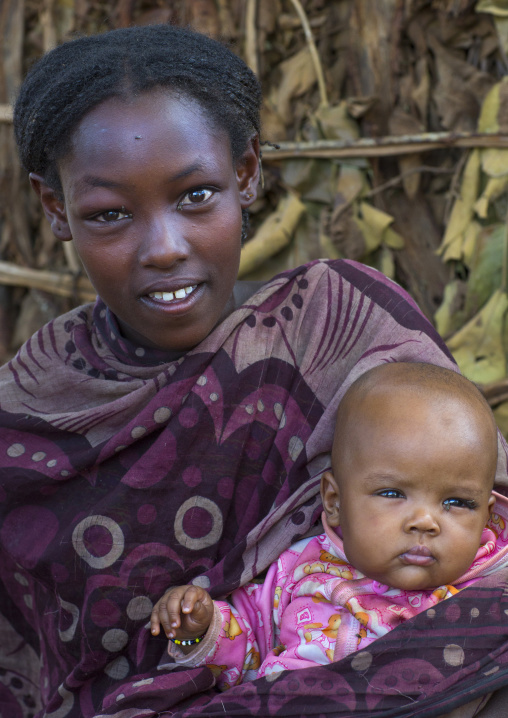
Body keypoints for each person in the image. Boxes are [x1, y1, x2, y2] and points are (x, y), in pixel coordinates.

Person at [1, 22, 508, 718]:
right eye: (111, 213)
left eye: (196, 196)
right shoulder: (31, 415)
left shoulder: (339, 324)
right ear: (57, 209)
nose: (164, 247)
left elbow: (484, 514)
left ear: (246, 174)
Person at [150, 363, 508, 688]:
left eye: (458, 503)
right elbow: (247, 647)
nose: (425, 522)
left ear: (485, 513)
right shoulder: (298, 570)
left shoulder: (491, 592)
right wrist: (198, 628)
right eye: (392, 492)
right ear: (335, 502)